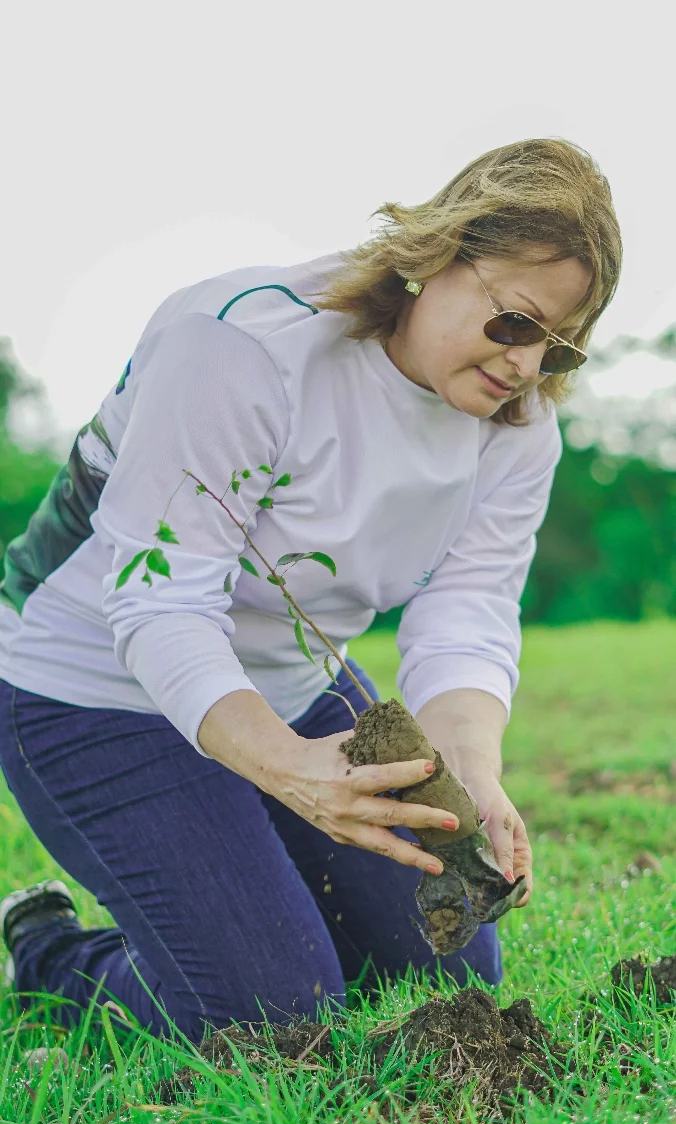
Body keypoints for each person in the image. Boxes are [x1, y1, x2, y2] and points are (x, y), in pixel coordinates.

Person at [0, 137, 621, 1041]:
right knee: (273, 1010)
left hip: (293, 686)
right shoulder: (242, 344)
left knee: (444, 955)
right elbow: (158, 600)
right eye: (516, 322)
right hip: (89, 687)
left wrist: (473, 772)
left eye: (559, 349)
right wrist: (290, 772)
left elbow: (468, 607)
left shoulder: (517, 426)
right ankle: (51, 953)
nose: (527, 367)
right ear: (438, 257)